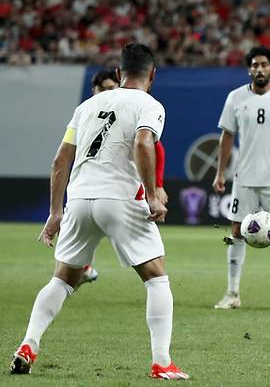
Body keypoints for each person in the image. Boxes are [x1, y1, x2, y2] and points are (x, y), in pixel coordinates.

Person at [9, 44, 188, 379]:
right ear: (152, 75)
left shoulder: (87, 106)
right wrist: (152, 195)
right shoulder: (149, 104)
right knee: (157, 277)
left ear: (118, 74)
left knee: (62, 279)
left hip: (79, 199)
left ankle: (28, 344)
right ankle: (162, 362)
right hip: (119, 199)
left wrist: (54, 212)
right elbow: (143, 142)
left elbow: (61, 159)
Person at [212, 46, 270, 311]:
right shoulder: (235, 98)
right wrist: (220, 172)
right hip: (244, 177)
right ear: (249, 69)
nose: (259, 69)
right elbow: (227, 137)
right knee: (235, 233)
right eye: (254, 65)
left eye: (264, 65)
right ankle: (232, 294)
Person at [77, 70, 169, 289]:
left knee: (62, 276)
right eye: (103, 89)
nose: (109, 92)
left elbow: (154, 147)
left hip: (114, 190)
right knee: (156, 276)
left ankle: (79, 270)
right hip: (103, 192)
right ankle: (81, 270)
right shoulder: (88, 112)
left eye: (112, 87)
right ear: (94, 91)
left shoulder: (94, 110)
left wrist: (156, 186)